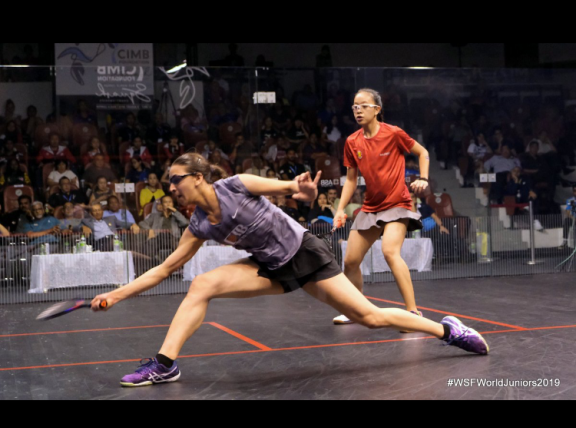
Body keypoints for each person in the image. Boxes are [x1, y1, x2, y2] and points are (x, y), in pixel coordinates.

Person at [89, 153, 490, 388]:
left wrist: (307, 192)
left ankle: (448, 330)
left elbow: (291, 189)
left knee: (369, 317)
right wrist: (116, 294)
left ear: (197, 177)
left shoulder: (236, 185)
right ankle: (164, 363)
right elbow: (164, 269)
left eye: (176, 180)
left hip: (305, 253)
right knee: (203, 284)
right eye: (169, 183)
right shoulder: (199, 226)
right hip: (269, 268)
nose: (171, 187)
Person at [331, 89, 428, 327]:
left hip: (397, 204)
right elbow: (351, 179)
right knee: (351, 261)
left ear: (377, 109)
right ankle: (357, 310)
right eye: (355, 107)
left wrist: (423, 179)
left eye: (363, 106)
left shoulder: (393, 133)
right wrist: (340, 209)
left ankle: (413, 312)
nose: (358, 111)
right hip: (371, 207)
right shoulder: (352, 141)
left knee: (389, 252)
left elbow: (422, 152)